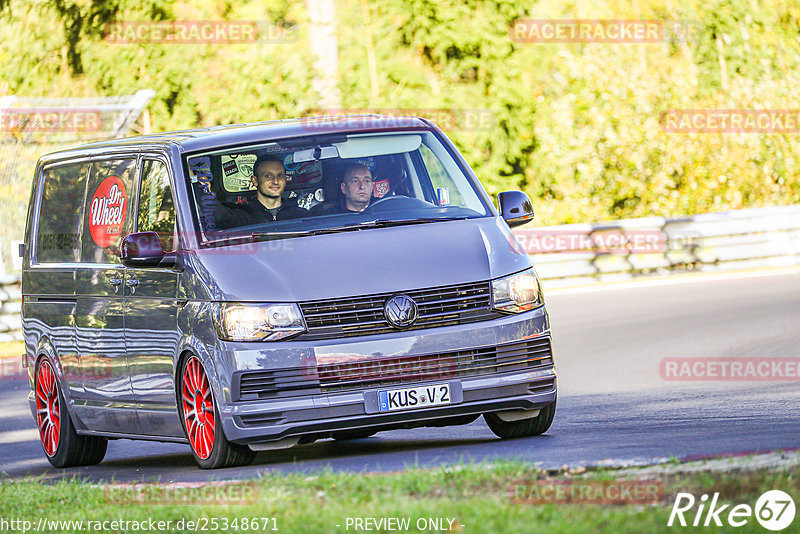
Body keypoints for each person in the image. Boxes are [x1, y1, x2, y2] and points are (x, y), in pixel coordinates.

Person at [217, 155, 305, 228]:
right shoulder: (241, 217)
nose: (275, 181)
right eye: (268, 176)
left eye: (280, 175)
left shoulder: (299, 215)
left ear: (285, 179)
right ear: (255, 181)